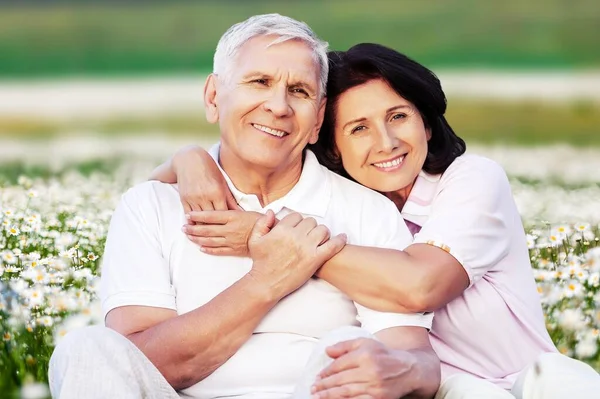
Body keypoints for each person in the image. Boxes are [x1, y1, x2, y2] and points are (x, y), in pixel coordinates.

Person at [152, 43, 600, 398]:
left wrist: (267, 238)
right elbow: (153, 188)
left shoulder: (471, 180)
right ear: (331, 148)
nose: (386, 142)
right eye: (359, 128)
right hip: (421, 387)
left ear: (426, 123)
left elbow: (419, 286)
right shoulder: (348, 203)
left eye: (398, 117)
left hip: (522, 383)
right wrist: (190, 158)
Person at [48, 14, 441, 399]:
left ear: (319, 118)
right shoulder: (149, 206)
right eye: (259, 82)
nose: (279, 106)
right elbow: (136, 362)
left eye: (299, 91)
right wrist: (268, 279)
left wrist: (391, 369)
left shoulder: (366, 211)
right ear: (214, 97)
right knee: (84, 348)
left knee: (350, 347)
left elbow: (414, 356)